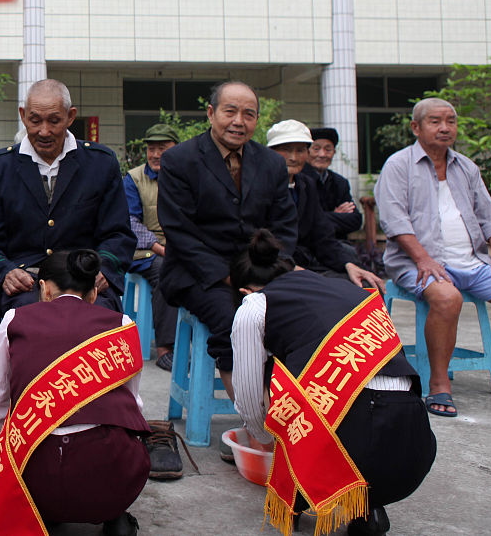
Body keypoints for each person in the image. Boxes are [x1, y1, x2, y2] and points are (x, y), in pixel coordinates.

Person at [230, 229, 435, 536]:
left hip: (351, 458)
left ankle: (295, 501)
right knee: (334, 383)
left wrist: (263, 438)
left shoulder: (255, 306)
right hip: (416, 451)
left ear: (246, 291)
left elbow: (248, 396)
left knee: (285, 387)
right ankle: (368, 509)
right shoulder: (347, 290)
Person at [0, 249, 150, 536]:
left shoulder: (13, 319)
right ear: (94, 292)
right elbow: (133, 409)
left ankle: (42, 509)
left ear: (43, 289)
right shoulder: (121, 324)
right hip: (107, 479)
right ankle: (113, 514)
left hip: (32, 478)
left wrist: (12, 443)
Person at [0, 79, 135, 374]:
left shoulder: (101, 163)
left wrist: (104, 270)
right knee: (28, 329)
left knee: (102, 332)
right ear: (23, 116)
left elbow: (117, 234)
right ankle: (32, 412)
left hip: (86, 282)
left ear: (70, 117)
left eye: (54, 120)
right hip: (26, 283)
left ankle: (97, 413)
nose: (44, 131)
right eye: (35, 120)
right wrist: (5, 271)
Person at [157, 81, 298, 414]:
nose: (239, 121)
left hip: (262, 271)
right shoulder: (179, 160)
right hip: (199, 274)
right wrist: (229, 278)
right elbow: (179, 232)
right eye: (230, 111)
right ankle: (258, 425)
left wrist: (271, 273)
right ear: (211, 113)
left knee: (299, 311)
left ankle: (293, 410)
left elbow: (285, 227)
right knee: (235, 320)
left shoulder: (272, 163)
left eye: (249, 114)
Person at [374, 97, 491, 418]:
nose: (444, 128)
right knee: (446, 298)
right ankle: (439, 384)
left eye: (450, 121)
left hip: (473, 263)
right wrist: (424, 259)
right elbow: (395, 222)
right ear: (416, 127)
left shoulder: (466, 167)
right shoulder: (399, 165)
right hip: (415, 263)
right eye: (435, 121)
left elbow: (490, 218)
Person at [265, 120, 384, 291]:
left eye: (300, 150)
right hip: (273, 266)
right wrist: (291, 266)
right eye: (286, 150)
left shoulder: (306, 185)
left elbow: (322, 234)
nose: (293, 157)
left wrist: (347, 264)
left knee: (368, 286)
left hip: (308, 262)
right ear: (270, 152)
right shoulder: (260, 185)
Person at [123, 122, 179, 372]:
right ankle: (166, 348)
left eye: (163, 148)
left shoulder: (186, 175)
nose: (156, 155)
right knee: (166, 269)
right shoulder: (134, 178)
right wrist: (160, 248)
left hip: (181, 246)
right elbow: (130, 222)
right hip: (144, 251)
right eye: (151, 149)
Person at [301, 126, 363, 240]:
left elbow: (356, 220)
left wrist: (323, 217)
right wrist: (336, 215)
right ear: (307, 151)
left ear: (334, 152)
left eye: (328, 149)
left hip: (336, 242)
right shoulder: (298, 179)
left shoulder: (340, 182)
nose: (322, 154)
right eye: (316, 149)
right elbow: (303, 221)